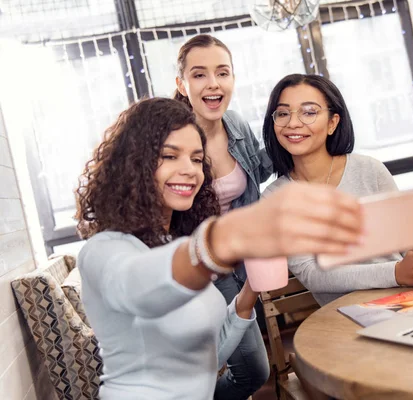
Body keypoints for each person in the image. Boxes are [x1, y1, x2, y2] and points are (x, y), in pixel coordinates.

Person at [75, 97, 363, 399]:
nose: (190, 170)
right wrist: (229, 235)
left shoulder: (174, 242)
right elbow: (141, 289)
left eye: (197, 159)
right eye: (169, 156)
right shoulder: (102, 250)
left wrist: (248, 293)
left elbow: (206, 357)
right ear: (133, 164)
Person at [262, 74, 413, 306]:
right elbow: (313, 275)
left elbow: (410, 246)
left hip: (409, 299)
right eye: (283, 113)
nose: (293, 123)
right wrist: (396, 273)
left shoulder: (369, 169)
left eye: (309, 112)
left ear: (333, 122)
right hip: (343, 313)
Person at [173, 34, 272, 398]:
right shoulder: (173, 139)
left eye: (222, 73)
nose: (213, 83)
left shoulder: (236, 125)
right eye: (199, 75)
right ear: (182, 85)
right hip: (202, 265)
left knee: (247, 367)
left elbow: (255, 174)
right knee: (253, 371)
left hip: (241, 259)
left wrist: (294, 140)